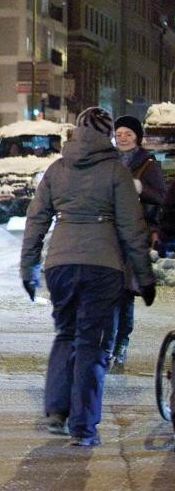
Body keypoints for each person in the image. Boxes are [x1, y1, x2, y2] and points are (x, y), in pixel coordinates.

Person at [20, 106, 155, 447]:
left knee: (65, 334)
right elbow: (131, 228)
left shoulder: (57, 169)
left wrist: (29, 267)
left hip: (60, 265)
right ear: (108, 134)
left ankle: (56, 411)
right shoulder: (116, 173)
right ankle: (83, 427)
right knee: (92, 344)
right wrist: (144, 276)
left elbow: (36, 221)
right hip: (103, 265)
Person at [104, 114, 165, 369]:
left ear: (137, 137)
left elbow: (162, 197)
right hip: (108, 235)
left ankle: (121, 343)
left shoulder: (148, 165)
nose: (123, 138)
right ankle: (107, 343)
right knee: (109, 292)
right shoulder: (108, 163)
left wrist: (141, 188)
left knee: (125, 293)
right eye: (119, 135)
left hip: (135, 236)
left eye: (128, 134)